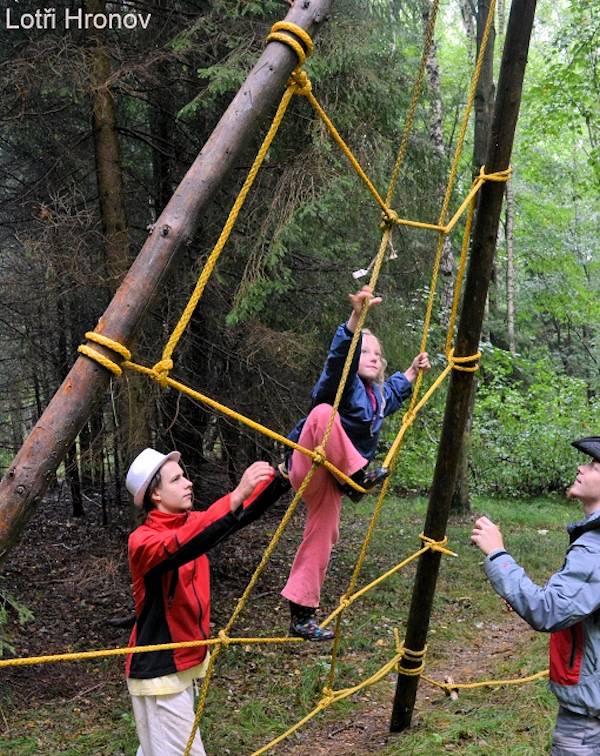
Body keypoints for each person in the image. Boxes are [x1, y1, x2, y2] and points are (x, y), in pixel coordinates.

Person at [280, 285, 431, 641]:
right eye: (366, 352)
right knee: (322, 413)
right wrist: (355, 321)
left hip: (333, 480)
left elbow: (392, 392)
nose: (374, 357)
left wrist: (411, 371)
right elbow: (337, 362)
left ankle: (302, 614)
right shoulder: (341, 386)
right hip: (309, 463)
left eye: (379, 354)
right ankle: (358, 476)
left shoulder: (377, 397)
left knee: (323, 536)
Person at [124, 447, 289, 756]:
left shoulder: (191, 522)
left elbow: (236, 515)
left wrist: (283, 476)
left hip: (182, 664)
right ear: (155, 495)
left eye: (184, 476)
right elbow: (187, 541)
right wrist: (236, 493)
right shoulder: (143, 541)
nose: (187, 483)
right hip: (160, 672)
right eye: (176, 479)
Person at [471, 436, 600, 756]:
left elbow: (550, 610)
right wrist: (522, 594)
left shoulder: (596, 547)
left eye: (593, 464)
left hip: (588, 721)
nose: (581, 467)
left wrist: (497, 554)